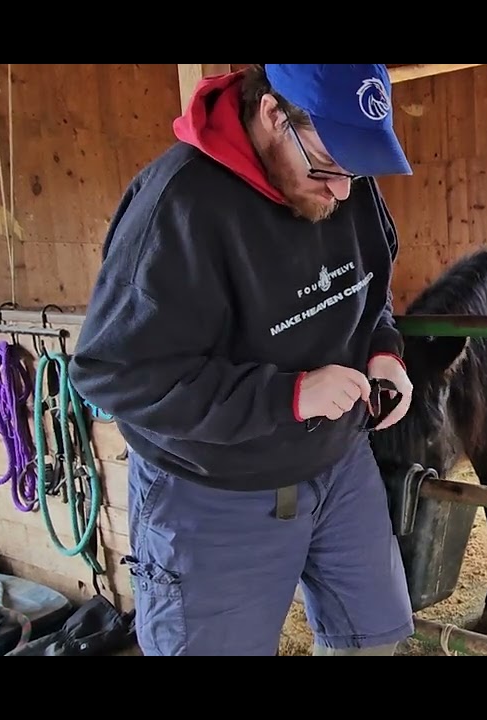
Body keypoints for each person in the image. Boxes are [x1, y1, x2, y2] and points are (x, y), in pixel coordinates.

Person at [68, 64, 417, 656]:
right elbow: (114, 374)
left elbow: (370, 292)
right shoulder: (180, 206)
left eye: (357, 171)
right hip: (215, 487)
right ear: (273, 115)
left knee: (372, 642)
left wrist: (385, 353)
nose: (342, 192)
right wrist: (288, 395)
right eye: (330, 167)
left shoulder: (346, 181)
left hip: (339, 461)